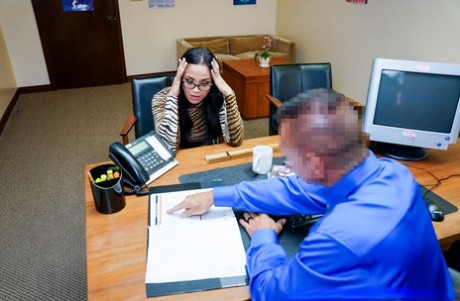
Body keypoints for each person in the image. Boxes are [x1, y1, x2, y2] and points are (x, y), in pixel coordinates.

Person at [167, 88, 455, 300]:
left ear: (315, 164)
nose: (288, 165)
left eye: (290, 157)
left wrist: (264, 237)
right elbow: (294, 190)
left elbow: (270, 292)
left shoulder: (335, 239)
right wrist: (215, 196)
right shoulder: (394, 173)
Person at [151, 47, 244, 152]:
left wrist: (228, 93)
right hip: (177, 159)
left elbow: (236, 141)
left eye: (204, 83)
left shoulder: (216, 97)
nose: (196, 90)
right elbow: (168, 148)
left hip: (207, 156)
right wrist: (172, 96)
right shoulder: (162, 98)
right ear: (180, 78)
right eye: (189, 81)